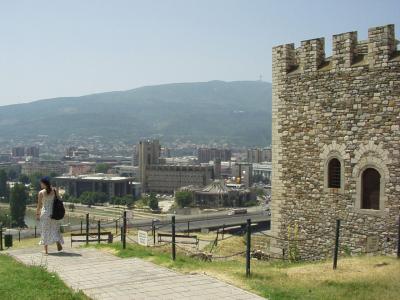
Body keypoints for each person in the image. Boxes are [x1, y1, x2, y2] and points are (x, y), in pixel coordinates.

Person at [36, 177, 64, 254]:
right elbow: (60, 199)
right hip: (54, 213)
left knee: (45, 231)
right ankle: (57, 241)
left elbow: (39, 205)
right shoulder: (54, 191)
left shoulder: (41, 193)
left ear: (44, 183)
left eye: (41, 183)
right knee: (54, 229)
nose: (40, 184)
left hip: (45, 214)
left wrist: (37, 214)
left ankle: (46, 251)